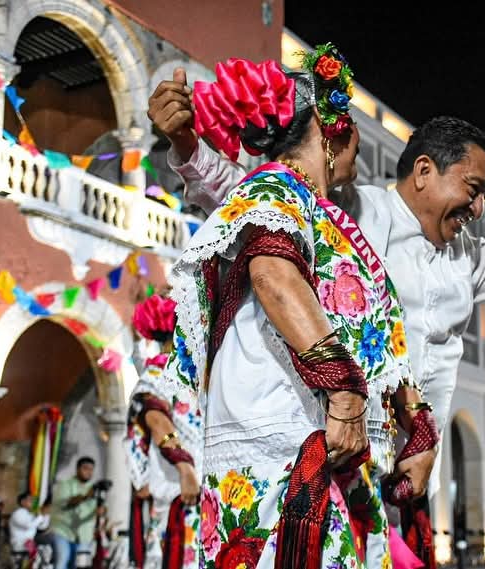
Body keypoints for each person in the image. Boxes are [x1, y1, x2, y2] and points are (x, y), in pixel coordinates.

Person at [147, 64, 485, 493]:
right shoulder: (350, 211)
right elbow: (254, 199)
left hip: (413, 464)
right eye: (473, 189)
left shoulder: (470, 257)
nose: (479, 209)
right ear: (424, 171)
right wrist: (187, 145)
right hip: (338, 445)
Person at [154, 45, 438, 569]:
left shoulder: (327, 217)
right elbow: (272, 272)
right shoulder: (274, 189)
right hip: (282, 450)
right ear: (334, 129)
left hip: (331, 452)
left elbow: (373, 333)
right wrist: (345, 392)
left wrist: (418, 426)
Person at [122, 293, 197, 568]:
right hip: (180, 489)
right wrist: (185, 468)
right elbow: (156, 420)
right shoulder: (157, 375)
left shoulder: (190, 373)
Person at [49, 457, 101, 569]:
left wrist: (100, 511)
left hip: (83, 534)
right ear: (77, 469)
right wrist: (86, 496)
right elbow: (66, 503)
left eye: (91, 469)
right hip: (63, 531)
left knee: (78, 565)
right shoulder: (65, 484)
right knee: (62, 560)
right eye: (85, 468)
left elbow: (93, 510)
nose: (88, 472)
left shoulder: (94, 489)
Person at [9, 492, 49, 561]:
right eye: (30, 500)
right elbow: (28, 526)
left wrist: (45, 515)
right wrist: (40, 516)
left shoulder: (31, 514)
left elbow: (41, 527)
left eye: (34, 501)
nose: (33, 502)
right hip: (19, 547)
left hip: (29, 546)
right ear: (22, 502)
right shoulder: (17, 513)